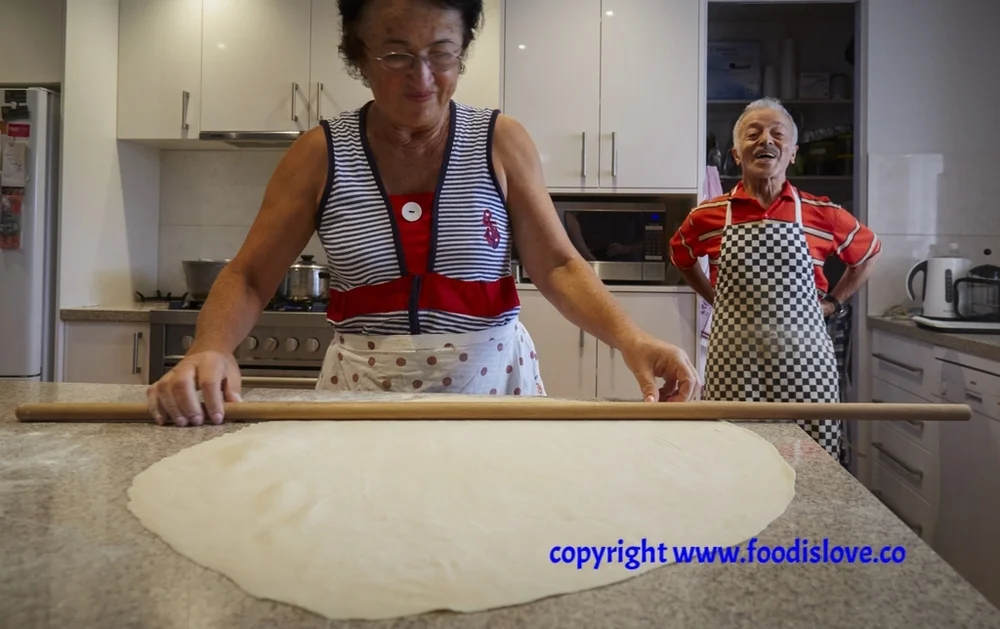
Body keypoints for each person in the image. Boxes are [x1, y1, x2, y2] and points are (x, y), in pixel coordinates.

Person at [147, 0, 698, 426]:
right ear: (359, 57)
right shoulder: (319, 154)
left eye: (442, 53)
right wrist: (209, 348)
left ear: (462, 52)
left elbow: (557, 264)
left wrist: (633, 338)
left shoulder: (501, 142)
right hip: (361, 395)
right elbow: (248, 275)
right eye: (395, 55)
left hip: (494, 391)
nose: (423, 77)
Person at [668, 97, 881, 459]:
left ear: (793, 153)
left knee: (813, 465)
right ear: (737, 154)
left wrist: (833, 303)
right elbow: (681, 257)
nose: (766, 140)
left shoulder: (823, 213)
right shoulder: (708, 216)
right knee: (735, 459)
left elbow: (868, 253)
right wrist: (713, 297)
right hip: (734, 366)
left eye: (777, 134)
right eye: (753, 133)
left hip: (806, 367)